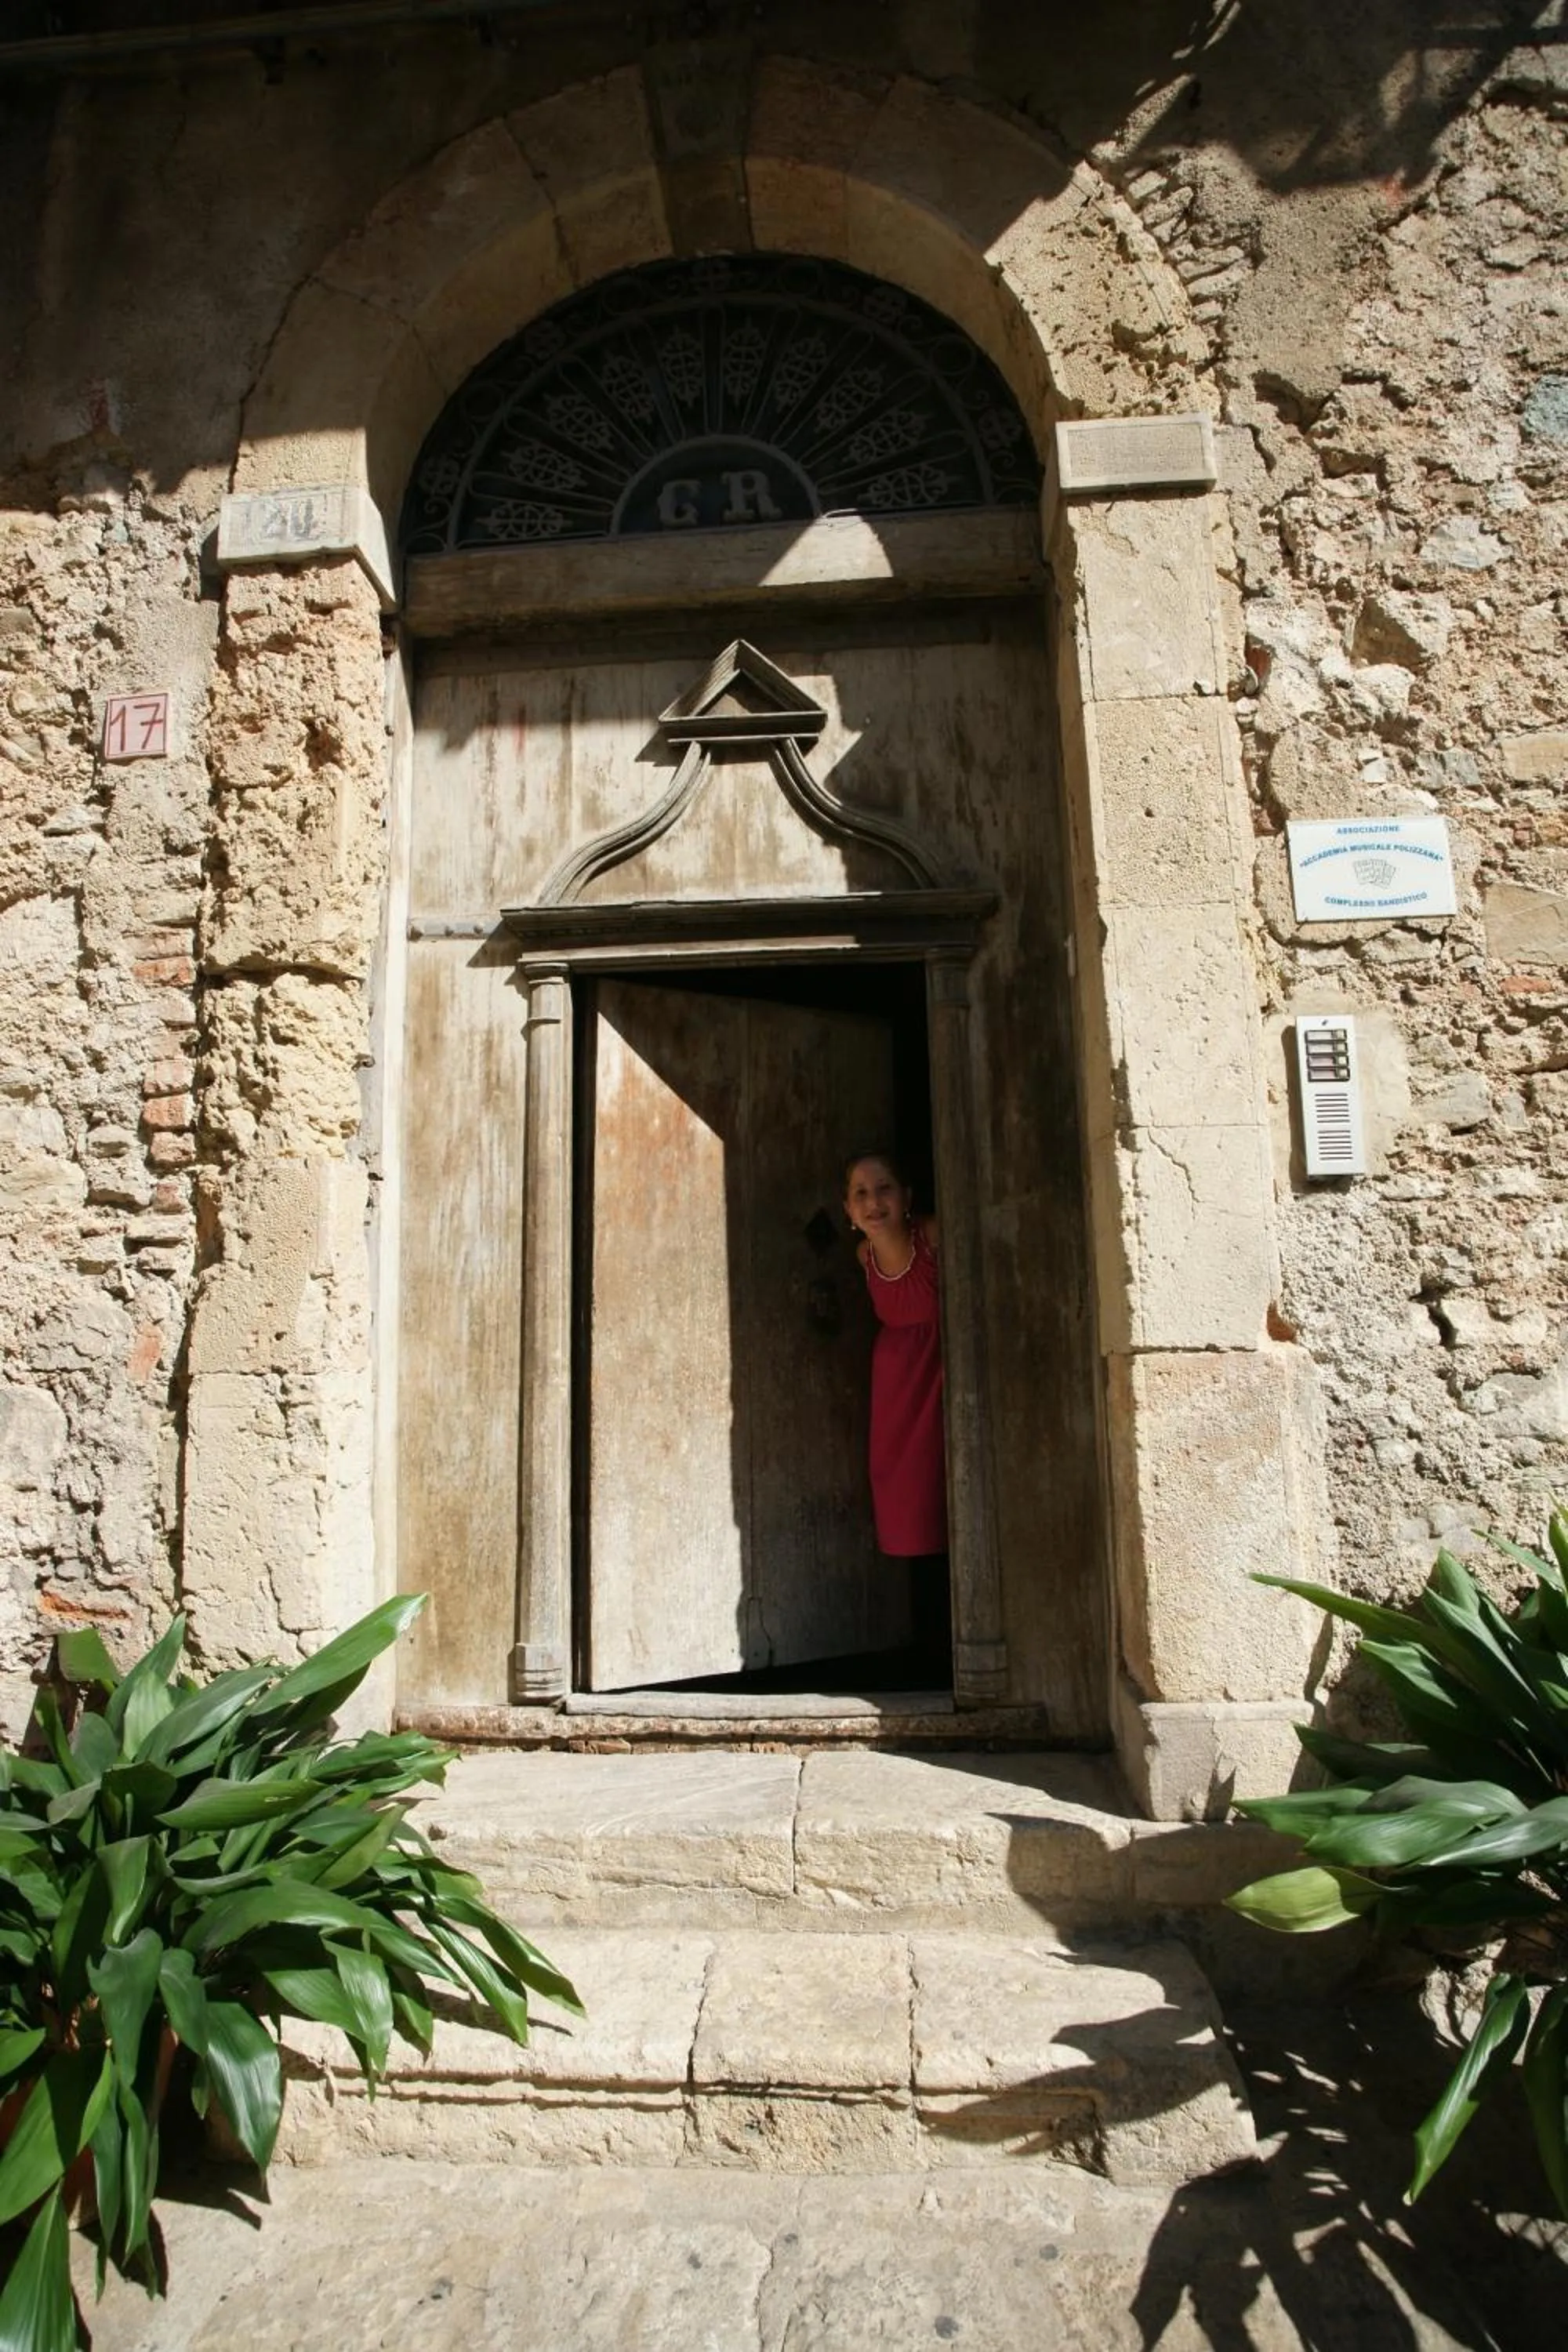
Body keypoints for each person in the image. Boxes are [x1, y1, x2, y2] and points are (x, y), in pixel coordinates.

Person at [842, 1149, 952, 1682]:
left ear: (908, 1198)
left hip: (943, 1377)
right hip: (900, 1389)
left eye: (884, 1188)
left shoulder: (934, 1238)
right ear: (847, 1210)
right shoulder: (864, 1257)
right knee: (908, 1501)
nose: (873, 1201)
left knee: (951, 1494)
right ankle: (927, 1647)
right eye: (860, 1193)